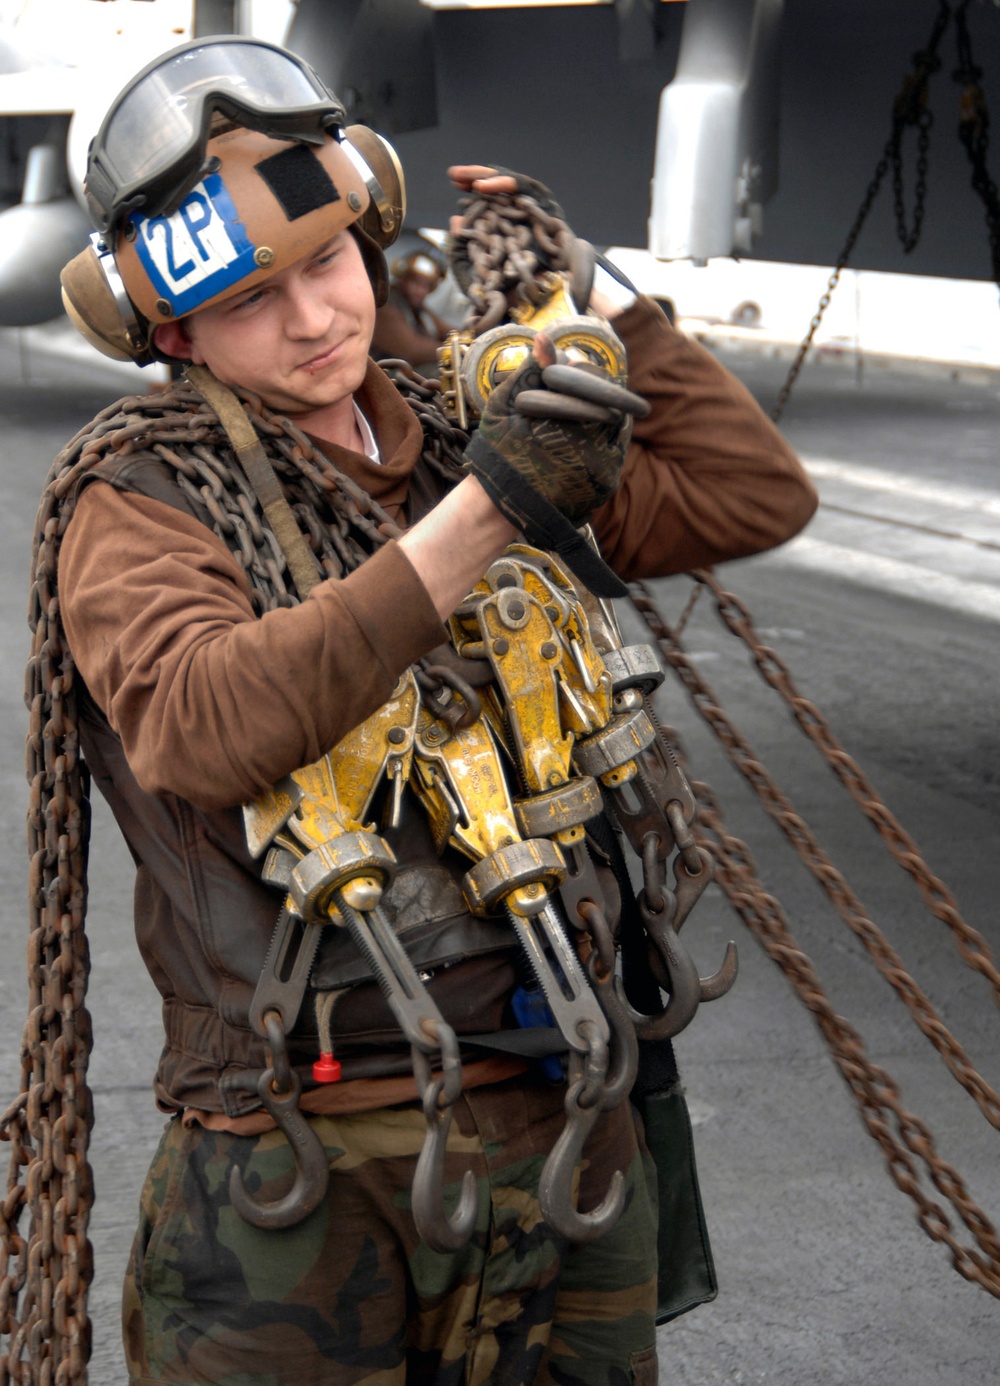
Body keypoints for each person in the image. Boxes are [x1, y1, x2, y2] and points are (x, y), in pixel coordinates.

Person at [41, 33, 817, 1386]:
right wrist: (485, 519)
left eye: (330, 263)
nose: (314, 317)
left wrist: (592, 299)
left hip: (563, 1115)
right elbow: (201, 720)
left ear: (374, 241)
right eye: (251, 297)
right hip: (306, 1172)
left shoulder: (466, 436)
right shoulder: (138, 502)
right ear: (173, 332)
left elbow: (753, 495)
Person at [371, 247, 452, 371]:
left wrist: (470, 337)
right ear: (402, 278)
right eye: (415, 283)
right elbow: (413, 350)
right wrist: (454, 351)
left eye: (426, 286)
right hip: (386, 380)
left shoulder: (417, 307)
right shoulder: (385, 304)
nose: (420, 291)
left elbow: (446, 331)